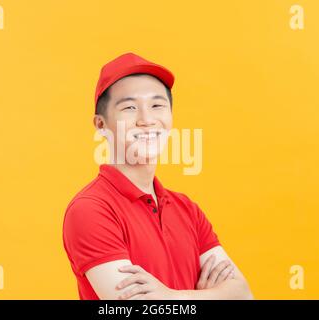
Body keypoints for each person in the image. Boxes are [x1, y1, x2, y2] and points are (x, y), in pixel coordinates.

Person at [62, 52, 253, 300]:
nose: (147, 120)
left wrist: (169, 297)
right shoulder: (91, 210)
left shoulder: (187, 210)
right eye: (130, 107)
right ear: (101, 125)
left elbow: (244, 295)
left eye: (157, 105)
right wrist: (214, 296)